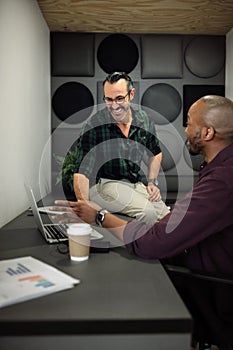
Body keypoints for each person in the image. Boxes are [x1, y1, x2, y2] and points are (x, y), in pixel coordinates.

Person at [53, 95, 233, 275]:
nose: (185, 130)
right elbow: (84, 167)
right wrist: (84, 202)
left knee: (154, 214)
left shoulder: (221, 181)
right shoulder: (220, 170)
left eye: (189, 123)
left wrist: (99, 216)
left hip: (202, 280)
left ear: (207, 133)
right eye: (109, 99)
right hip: (107, 186)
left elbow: (153, 243)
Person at [73, 71, 170, 225]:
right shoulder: (94, 125)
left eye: (119, 98)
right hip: (104, 185)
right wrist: (84, 205)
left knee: (168, 217)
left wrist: (151, 182)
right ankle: (145, 249)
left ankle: (168, 249)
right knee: (148, 213)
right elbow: (82, 171)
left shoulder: (144, 120)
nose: (114, 106)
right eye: (109, 100)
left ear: (131, 94)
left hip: (135, 184)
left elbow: (155, 153)